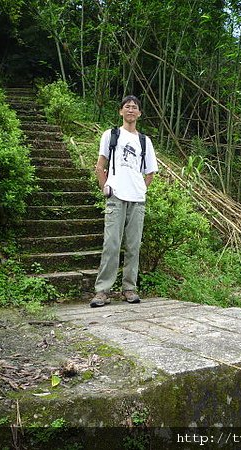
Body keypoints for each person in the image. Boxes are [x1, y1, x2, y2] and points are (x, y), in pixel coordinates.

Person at [90, 95, 158, 307]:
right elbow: (100, 166)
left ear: (139, 114)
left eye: (134, 107)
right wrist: (106, 187)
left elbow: (150, 172)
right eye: (127, 107)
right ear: (120, 111)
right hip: (116, 196)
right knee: (111, 243)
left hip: (137, 199)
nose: (130, 110)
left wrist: (141, 190)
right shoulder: (111, 135)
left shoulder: (144, 141)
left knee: (133, 245)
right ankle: (102, 291)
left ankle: (129, 288)